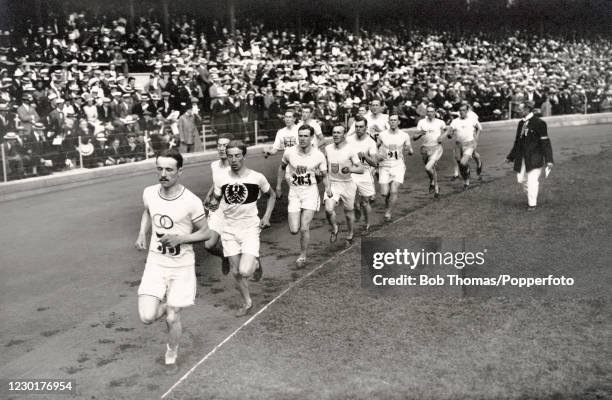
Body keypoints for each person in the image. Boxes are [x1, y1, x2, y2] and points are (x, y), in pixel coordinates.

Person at [135, 148, 212, 367]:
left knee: (172, 317)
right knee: (147, 317)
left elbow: (206, 232)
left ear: (180, 171)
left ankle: (172, 350)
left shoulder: (191, 201)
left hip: (181, 267)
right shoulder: (149, 192)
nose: (163, 174)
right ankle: (172, 302)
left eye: (169, 169)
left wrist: (181, 239)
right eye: (159, 169)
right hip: (156, 263)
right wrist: (142, 232)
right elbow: (147, 211)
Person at [209, 140, 275, 317]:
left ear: (244, 156)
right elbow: (216, 198)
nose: (233, 159)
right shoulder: (221, 178)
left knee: (245, 271)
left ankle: (255, 261)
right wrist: (212, 205)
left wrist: (267, 216)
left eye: (237, 155)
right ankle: (247, 302)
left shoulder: (257, 177)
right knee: (236, 272)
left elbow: (272, 196)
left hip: (249, 229)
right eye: (230, 156)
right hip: (229, 230)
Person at [276, 124, 329, 268]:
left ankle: (303, 255)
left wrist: (327, 189)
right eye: (300, 135)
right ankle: (299, 236)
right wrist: (279, 186)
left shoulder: (318, 155)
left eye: (306, 136)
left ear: (312, 137)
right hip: (294, 192)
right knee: (294, 230)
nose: (302, 138)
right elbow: (281, 168)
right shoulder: (289, 152)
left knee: (304, 227)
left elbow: (324, 175)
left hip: (310, 192)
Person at [506, 101, 554, 210]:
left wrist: (549, 160)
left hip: (535, 157)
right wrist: (510, 156)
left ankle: (532, 203)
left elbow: (545, 142)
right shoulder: (520, 123)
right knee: (521, 180)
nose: (518, 111)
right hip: (522, 158)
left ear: (527, 110)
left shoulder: (539, 123)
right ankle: (532, 195)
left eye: (521, 109)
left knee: (532, 180)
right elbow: (517, 142)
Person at [324, 125, 364, 246]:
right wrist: (327, 186)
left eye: (338, 133)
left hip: (348, 185)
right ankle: (334, 227)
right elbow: (324, 168)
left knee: (348, 212)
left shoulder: (350, 150)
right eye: (333, 132)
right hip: (333, 183)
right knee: (328, 209)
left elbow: (361, 169)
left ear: (344, 135)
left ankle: (350, 234)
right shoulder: (328, 148)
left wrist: (351, 169)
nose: (335, 135)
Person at [202, 135, 233, 275]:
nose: (221, 148)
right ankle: (223, 256)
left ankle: (254, 260)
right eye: (219, 145)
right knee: (209, 245)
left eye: (225, 145)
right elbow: (217, 182)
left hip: (233, 210)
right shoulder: (214, 165)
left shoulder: (235, 166)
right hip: (216, 209)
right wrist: (209, 194)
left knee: (238, 244)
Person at [376, 114, 414, 222]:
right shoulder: (382, 135)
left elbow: (408, 147)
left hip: (398, 165)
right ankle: (388, 202)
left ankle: (388, 213)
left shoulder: (404, 135)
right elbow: (376, 147)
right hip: (384, 166)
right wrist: (377, 155)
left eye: (395, 120)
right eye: (391, 120)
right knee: (384, 193)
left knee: (393, 191)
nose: (393, 122)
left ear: (398, 122)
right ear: (388, 122)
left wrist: (409, 150)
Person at [346, 116, 379, 234]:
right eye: (356, 127)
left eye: (361, 127)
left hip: (365, 173)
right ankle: (356, 205)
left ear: (366, 128)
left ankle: (367, 224)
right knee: (351, 198)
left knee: (365, 201)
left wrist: (365, 156)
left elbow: (375, 163)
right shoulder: (349, 139)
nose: (358, 129)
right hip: (352, 172)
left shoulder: (371, 142)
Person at [413, 106, 447, 199]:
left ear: (435, 112)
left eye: (432, 111)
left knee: (428, 168)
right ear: (426, 113)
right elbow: (414, 137)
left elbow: (447, 130)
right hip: (424, 148)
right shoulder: (421, 122)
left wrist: (442, 137)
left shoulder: (440, 122)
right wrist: (420, 133)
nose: (430, 113)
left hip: (436, 148)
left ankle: (436, 188)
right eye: (428, 112)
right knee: (429, 169)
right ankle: (432, 181)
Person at [448, 104, 482, 190]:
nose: (461, 112)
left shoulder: (472, 119)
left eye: (463, 110)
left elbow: (478, 128)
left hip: (469, 144)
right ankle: (466, 180)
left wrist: (476, 139)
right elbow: (450, 132)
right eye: (460, 110)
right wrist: (450, 134)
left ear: (467, 111)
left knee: (463, 163)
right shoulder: (455, 121)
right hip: (458, 145)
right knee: (460, 164)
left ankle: (469, 176)